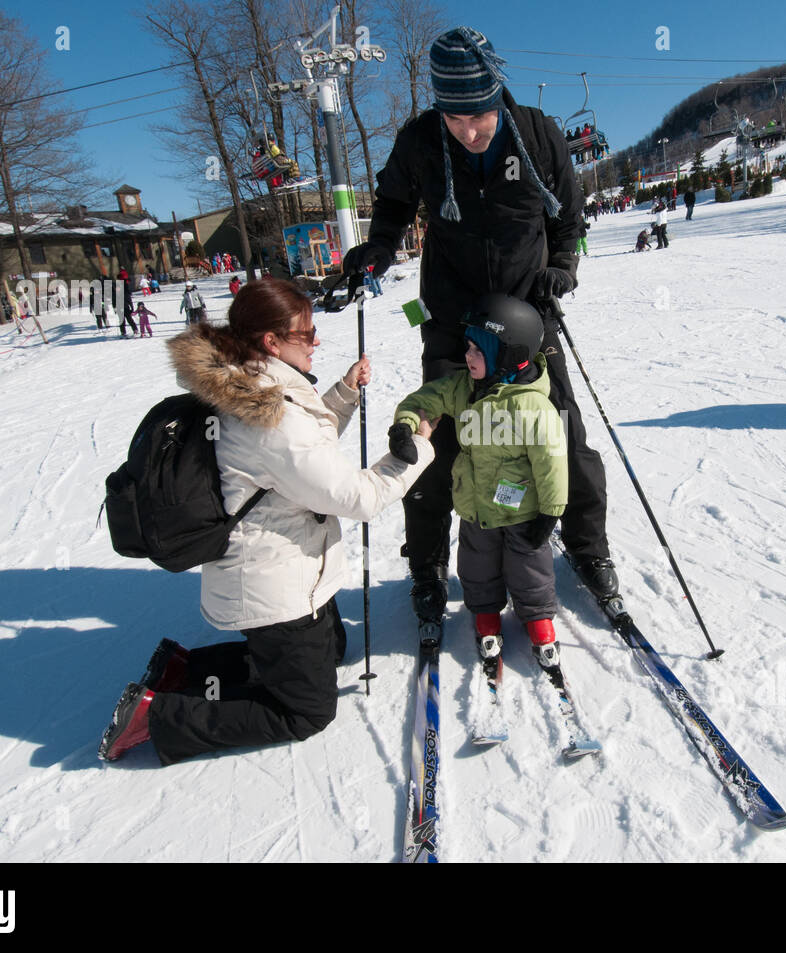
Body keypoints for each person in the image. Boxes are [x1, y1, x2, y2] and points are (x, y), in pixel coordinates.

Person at [340, 26, 616, 619]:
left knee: (561, 432)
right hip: (454, 316)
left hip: (524, 315)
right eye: (454, 118)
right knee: (436, 439)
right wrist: (379, 247)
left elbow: (568, 217)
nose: (467, 131)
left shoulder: (538, 134)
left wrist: (562, 267)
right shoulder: (420, 140)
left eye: (478, 116)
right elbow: (391, 205)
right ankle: (427, 562)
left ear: (498, 93)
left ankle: (590, 549)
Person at [98, 279, 435, 765]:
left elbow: (298, 457)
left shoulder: (250, 384)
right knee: (306, 710)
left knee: (332, 648)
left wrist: (341, 394)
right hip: (274, 585)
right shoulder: (272, 415)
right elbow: (354, 496)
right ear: (271, 342)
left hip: (282, 568)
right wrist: (420, 449)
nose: (316, 341)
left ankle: (187, 671)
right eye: (307, 334)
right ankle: (158, 716)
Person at [390, 294, 568, 668]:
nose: (466, 356)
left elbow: (552, 462)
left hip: (522, 513)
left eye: (477, 350)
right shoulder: (464, 388)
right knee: (477, 568)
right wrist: (405, 425)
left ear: (508, 355)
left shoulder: (532, 406)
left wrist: (551, 512)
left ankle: (538, 618)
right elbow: (424, 399)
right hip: (475, 509)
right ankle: (486, 614)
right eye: (467, 347)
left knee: (530, 571)